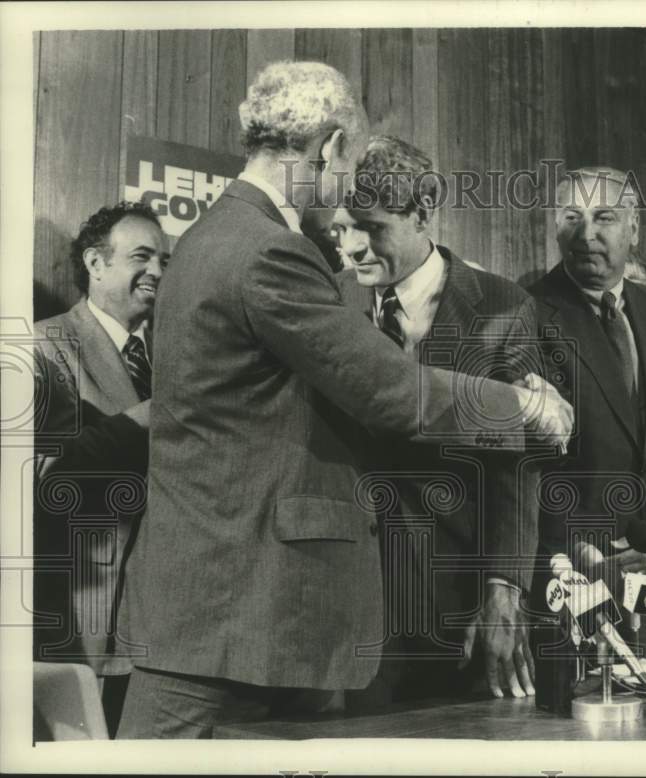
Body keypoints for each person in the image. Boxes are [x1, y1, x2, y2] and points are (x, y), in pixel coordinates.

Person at [116, 61, 570, 738]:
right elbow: (391, 391)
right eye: (346, 168)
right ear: (330, 147)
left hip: (234, 601)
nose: (347, 229)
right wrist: (528, 409)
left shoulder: (209, 237)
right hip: (235, 603)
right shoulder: (273, 253)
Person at [333, 135, 542, 702]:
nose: (351, 248)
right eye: (342, 229)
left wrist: (504, 588)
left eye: (370, 228)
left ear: (423, 213)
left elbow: (517, 465)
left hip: (454, 602)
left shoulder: (503, 307)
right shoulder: (329, 300)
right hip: (346, 603)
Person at [527, 166, 646, 598]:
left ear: (634, 227)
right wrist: (578, 545)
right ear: (555, 227)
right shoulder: (526, 313)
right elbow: (526, 462)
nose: (586, 234)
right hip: (567, 569)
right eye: (572, 217)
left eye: (603, 217)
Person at [33, 201, 170, 735]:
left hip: (162, 620)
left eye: (163, 260)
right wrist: (150, 416)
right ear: (95, 262)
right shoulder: (44, 346)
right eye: (141, 256)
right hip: (84, 617)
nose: (156, 271)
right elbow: (43, 476)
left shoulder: (174, 356)